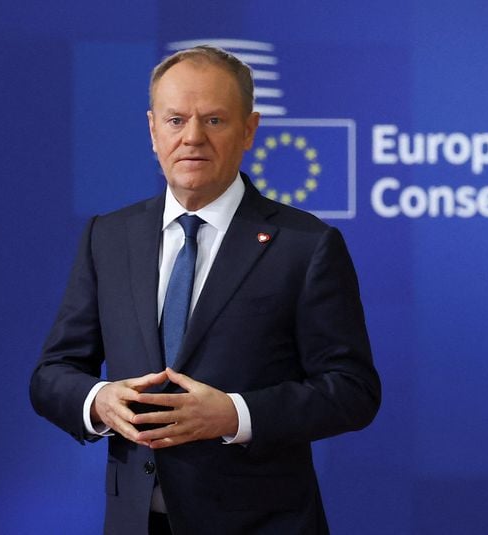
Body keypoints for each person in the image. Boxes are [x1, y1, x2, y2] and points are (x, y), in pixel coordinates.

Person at [30, 45, 380, 535]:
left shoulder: (305, 245)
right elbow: (53, 374)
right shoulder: (108, 237)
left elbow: (352, 390)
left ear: (249, 130)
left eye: (214, 120)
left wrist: (234, 415)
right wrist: (99, 400)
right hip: (135, 522)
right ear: (153, 130)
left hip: (260, 523)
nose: (192, 137)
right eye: (175, 120)